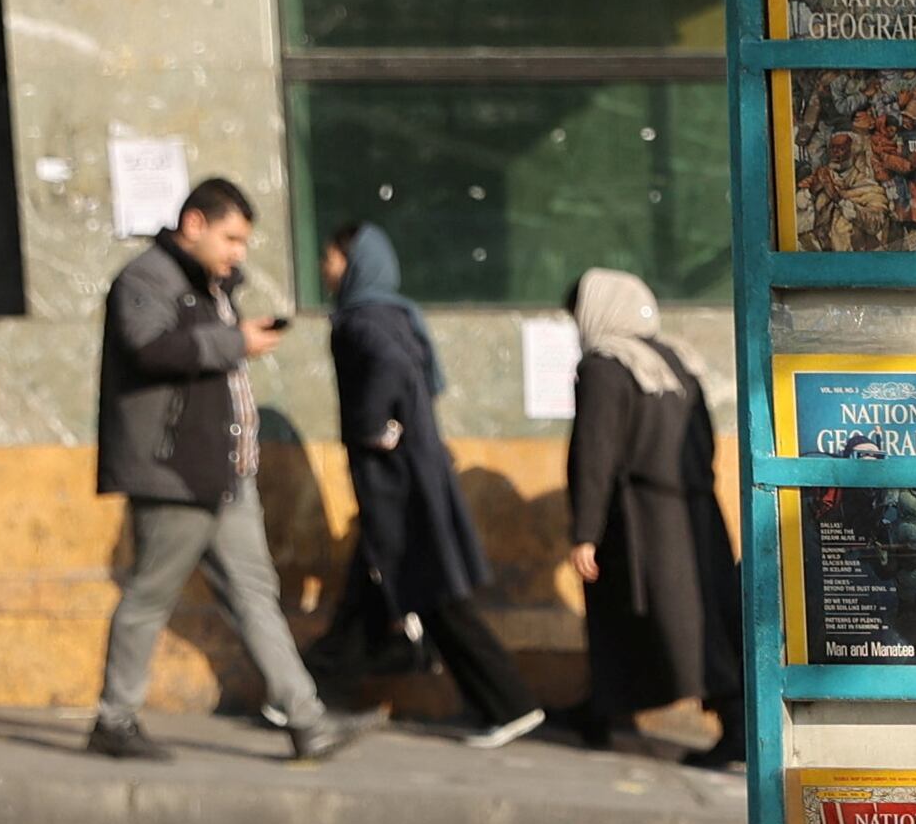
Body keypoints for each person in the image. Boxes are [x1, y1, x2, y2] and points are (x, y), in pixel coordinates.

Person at [91, 176, 355, 764]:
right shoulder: (146, 279)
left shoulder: (206, 287)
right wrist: (233, 338)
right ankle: (114, 718)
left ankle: (307, 721)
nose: (238, 252)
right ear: (194, 225)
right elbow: (151, 349)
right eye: (231, 238)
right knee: (151, 595)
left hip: (226, 471)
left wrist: (225, 305)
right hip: (175, 471)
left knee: (256, 594)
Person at [319, 224, 543, 748]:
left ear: (353, 261)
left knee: (434, 591)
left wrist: (374, 425)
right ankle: (308, 694)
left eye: (330, 258)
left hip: (396, 484)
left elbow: (390, 368)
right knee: (386, 586)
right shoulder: (399, 314)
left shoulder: (361, 320)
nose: (325, 269)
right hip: (415, 473)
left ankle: (511, 703)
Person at [559, 268, 743, 767]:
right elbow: (703, 440)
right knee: (693, 615)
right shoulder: (676, 362)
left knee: (676, 624)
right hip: (695, 512)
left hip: (642, 521)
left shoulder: (605, 366)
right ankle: (604, 709)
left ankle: (736, 725)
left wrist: (584, 532)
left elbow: (594, 454)